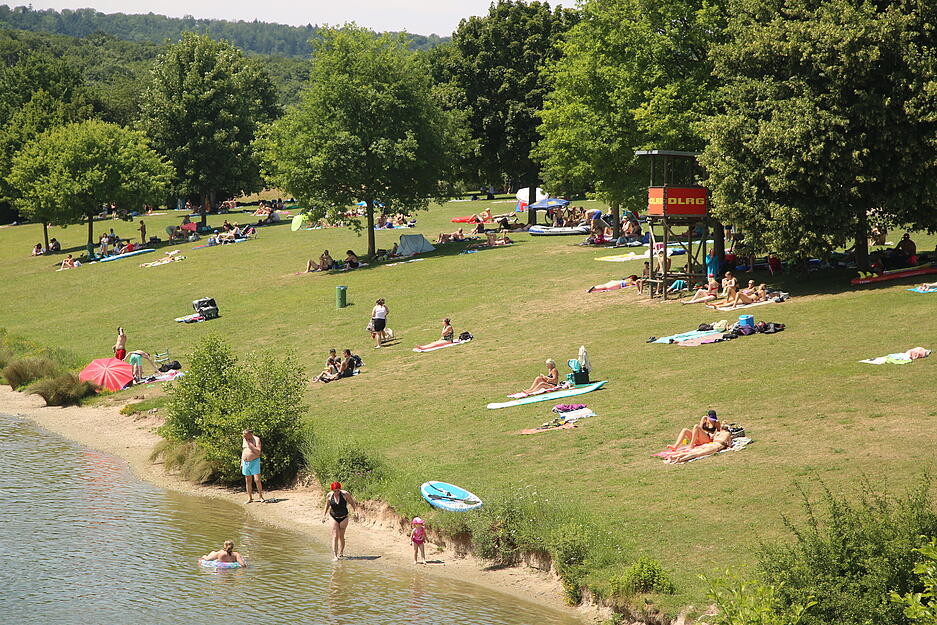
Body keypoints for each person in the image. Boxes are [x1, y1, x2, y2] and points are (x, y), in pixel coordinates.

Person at [322, 481, 356, 561]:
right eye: (335, 491)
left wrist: (355, 511)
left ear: (340, 489)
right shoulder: (329, 495)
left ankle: (341, 553)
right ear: (332, 490)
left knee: (341, 536)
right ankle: (335, 556)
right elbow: (327, 505)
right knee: (334, 536)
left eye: (338, 490)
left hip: (344, 517)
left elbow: (352, 503)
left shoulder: (345, 494)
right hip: (333, 517)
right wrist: (324, 515)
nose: (336, 493)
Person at [666, 428, 733, 464]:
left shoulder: (718, 433)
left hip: (709, 444)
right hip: (714, 447)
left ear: (721, 429)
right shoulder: (728, 434)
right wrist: (725, 445)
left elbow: (713, 438)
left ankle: (673, 457)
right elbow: (730, 445)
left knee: (692, 452)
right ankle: (680, 460)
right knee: (696, 454)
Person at [241, 429, 265, 504]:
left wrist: (250, 444)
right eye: (243, 435)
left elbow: (258, 452)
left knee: (257, 480)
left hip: (254, 461)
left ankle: (261, 496)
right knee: (248, 480)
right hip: (245, 462)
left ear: (250, 434)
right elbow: (244, 450)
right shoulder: (244, 439)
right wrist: (241, 462)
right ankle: (250, 498)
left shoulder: (256, 439)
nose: (244, 436)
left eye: (245, 435)